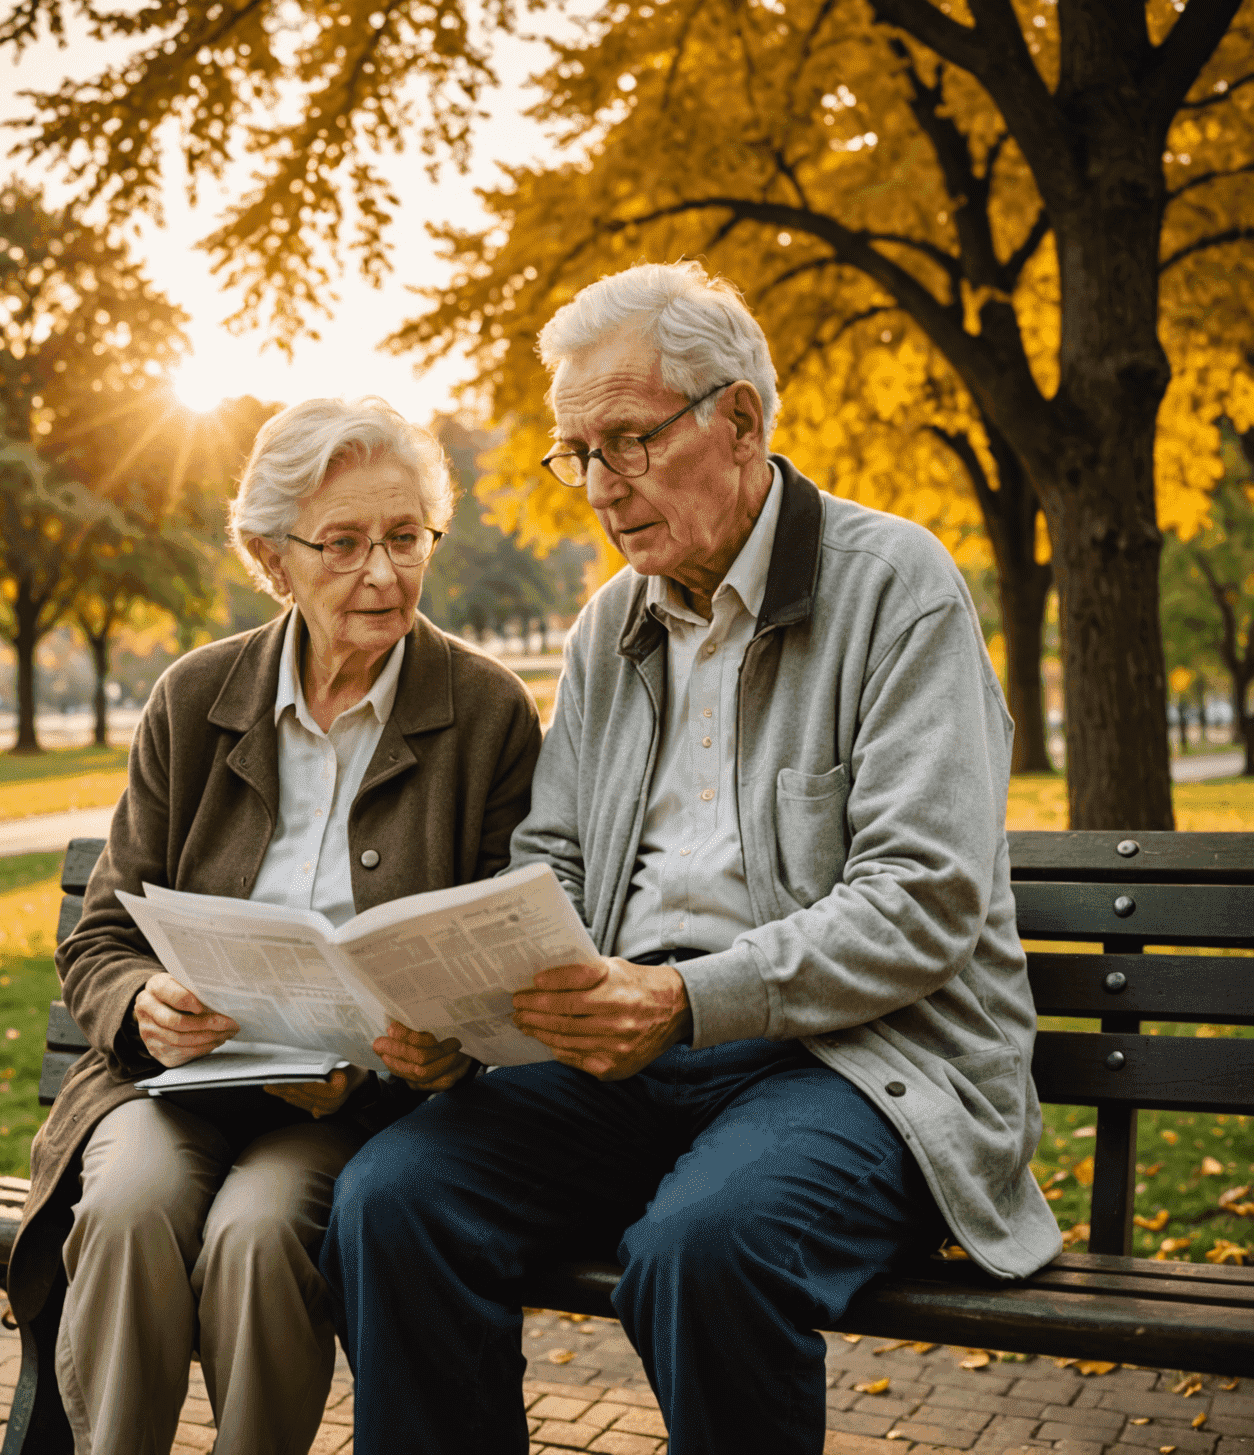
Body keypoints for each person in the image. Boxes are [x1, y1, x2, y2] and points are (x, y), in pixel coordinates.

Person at [321, 263, 1063, 1455]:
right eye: (578, 455)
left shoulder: (896, 588)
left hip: (854, 1060)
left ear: (742, 421)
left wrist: (683, 999)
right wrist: (470, 1004)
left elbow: (924, 898)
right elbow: (554, 856)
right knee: (389, 1201)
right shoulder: (612, 627)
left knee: (707, 1248)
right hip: (635, 1050)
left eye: (628, 441)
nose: (602, 490)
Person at [5, 397, 542, 1455]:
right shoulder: (195, 696)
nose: (381, 574)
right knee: (124, 1212)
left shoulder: (485, 713)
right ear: (271, 556)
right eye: (342, 544)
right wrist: (141, 1004)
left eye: (404, 538)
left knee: (257, 1238)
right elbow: (102, 936)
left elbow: (507, 945)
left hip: (350, 1107)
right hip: (179, 1086)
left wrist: (446, 1041)